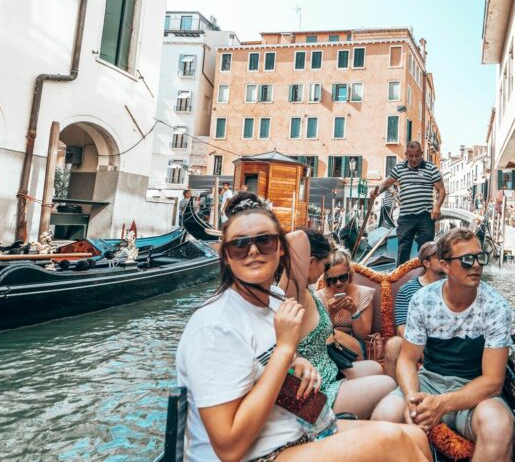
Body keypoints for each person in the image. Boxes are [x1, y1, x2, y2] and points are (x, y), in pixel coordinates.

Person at [175, 192, 430, 461]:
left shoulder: (273, 299)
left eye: (265, 240)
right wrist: (286, 350)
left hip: (298, 431)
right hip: (259, 455)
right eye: (239, 244)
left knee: (416, 437)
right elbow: (228, 449)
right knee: (393, 441)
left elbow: (265, 367)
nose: (252, 250)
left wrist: (296, 360)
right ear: (226, 255)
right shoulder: (214, 327)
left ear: (280, 248)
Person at [372, 228, 515, 461]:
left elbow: (493, 382)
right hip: (429, 383)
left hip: (474, 392)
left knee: (498, 426)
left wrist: (442, 404)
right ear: (445, 265)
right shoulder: (423, 300)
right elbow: (407, 360)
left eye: (480, 257)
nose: (476, 265)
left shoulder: (496, 307)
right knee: (384, 415)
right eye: (467, 260)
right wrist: (411, 397)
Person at [289, 227, 395, 419]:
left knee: (377, 369)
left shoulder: (305, 291)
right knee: (389, 384)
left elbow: (359, 334)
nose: (334, 281)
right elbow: (294, 239)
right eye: (325, 267)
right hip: (320, 386)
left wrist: (352, 311)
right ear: (311, 262)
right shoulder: (295, 291)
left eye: (342, 278)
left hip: (331, 364)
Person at [369, 141, 445, 265]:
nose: (414, 159)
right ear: (406, 154)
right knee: (403, 248)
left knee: (426, 250)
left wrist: (437, 206)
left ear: (421, 154)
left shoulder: (431, 168)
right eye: (411, 156)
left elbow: (441, 190)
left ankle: (425, 276)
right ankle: (400, 277)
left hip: (425, 216)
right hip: (406, 216)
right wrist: (377, 192)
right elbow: (387, 183)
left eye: (417, 155)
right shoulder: (399, 168)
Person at [384, 241, 445, 380]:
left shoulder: (453, 287)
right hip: (417, 341)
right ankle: (395, 392)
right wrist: (421, 349)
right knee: (394, 344)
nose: (444, 259)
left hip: (445, 340)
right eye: (439, 256)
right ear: (426, 263)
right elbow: (401, 328)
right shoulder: (407, 290)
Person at [316, 250, 375, 359]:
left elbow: (363, 336)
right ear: (326, 279)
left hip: (356, 348)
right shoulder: (318, 298)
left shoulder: (364, 294)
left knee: (335, 336)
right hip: (328, 347)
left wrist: (354, 312)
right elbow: (319, 336)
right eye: (333, 280)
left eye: (343, 277)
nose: (338, 283)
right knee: (330, 338)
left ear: (349, 273)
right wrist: (331, 314)